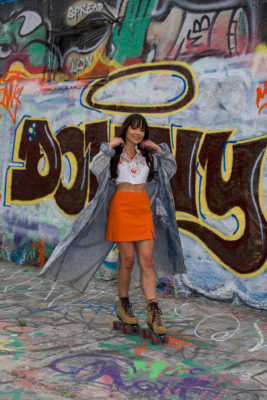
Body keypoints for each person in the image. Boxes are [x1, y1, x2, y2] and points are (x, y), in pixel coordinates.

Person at [39, 114, 186, 338]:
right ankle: (124, 305)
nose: (138, 133)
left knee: (147, 260)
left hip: (143, 210)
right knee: (126, 261)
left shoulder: (149, 157)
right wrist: (109, 147)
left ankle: (153, 312)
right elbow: (95, 167)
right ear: (126, 130)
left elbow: (171, 167)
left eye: (142, 130)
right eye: (134, 129)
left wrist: (157, 147)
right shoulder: (113, 156)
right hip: (121, 209)